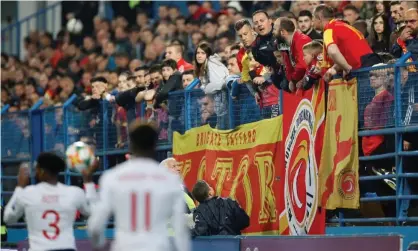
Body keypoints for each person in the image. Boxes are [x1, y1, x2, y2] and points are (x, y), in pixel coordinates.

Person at [87, 121, 190, 251]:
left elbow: (95, 225)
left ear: (131, 144)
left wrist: (98, 244)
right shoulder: (170, 180)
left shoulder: (113, 177)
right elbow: (180, 228)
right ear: (155, 145)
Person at [3, 153, 97, 251]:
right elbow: (94, 211)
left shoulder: (29, 193)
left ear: (41, 171)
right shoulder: (74, 193)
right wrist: (89, 182)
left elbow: (8, 218)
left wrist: (19, 187)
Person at [313, 4, 376, 81]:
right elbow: (344, 54)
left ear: (320, 18)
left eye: (313, 17)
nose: (312, 20)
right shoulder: (340, 25)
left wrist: (347, 69)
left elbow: (333, 52)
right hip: (369, 62)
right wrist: (333, 69)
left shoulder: (329, 29)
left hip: (363, 67)